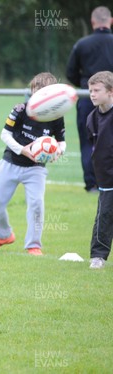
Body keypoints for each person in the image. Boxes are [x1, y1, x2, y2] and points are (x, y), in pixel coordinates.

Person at [0, 72, 66, 256]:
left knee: (36, 204)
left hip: (35, 168)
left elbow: (61, 141)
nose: (37, 96)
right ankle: (4, 236)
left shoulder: (56, 116)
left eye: (43, 93)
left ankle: (33, 245)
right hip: (10, 162)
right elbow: (4, 134)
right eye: (35, 91)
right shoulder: (21, 109)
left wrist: (58, 151)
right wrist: (22, 149)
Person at [66, 6, 113, 193]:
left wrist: (88, 86)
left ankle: (92, 184)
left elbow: (70, 72)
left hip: (87, 98)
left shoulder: (82, 44)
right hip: (111, 96)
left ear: (93, 22)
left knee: (89, 140)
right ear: (110, 21)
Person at [86, 71, 113, 269]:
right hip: (106, 177)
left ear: (110, 92)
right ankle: (98, 256)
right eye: (90, 90)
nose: (92, 94)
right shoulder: (92, 119)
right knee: (104, 216)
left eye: (97, 90)